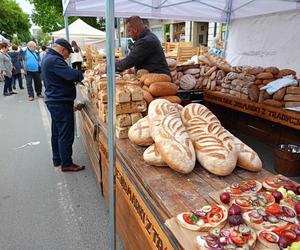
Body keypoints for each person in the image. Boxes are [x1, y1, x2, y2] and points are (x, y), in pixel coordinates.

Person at [41, 38, 85, 172]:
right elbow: (70, 75)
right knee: (65, 133)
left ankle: (57, 159)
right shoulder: (54, 60)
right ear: (62, 50)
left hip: (55, 100)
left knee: (57, 132)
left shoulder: (49, 57)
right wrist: (80, 73)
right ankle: (66, 163)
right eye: (68, 53)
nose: (68, 56)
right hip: (59, 101)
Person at [99, 16, 170, 76]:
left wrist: (108, 68)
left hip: (159, 79)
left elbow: (130, 61)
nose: (129, 34)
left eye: (129, 31)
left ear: (135, 30)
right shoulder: (147, 37)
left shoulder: (146, 41)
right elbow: (135, 58)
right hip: (152, 76)